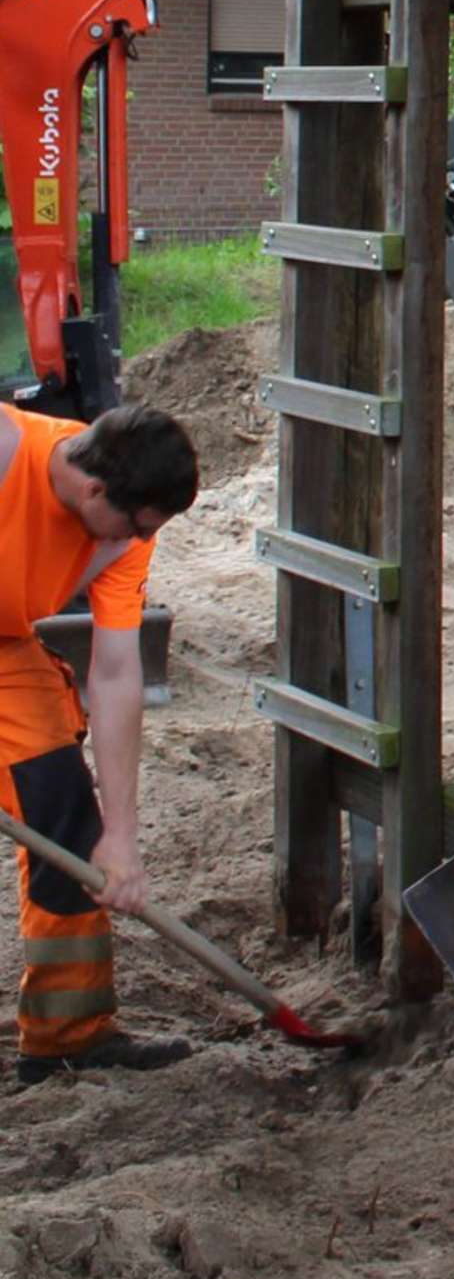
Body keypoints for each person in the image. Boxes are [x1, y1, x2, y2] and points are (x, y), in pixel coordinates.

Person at [2, 399, 200, 1084]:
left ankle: (66, 1034)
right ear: (94, 489)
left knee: (65, 813)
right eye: (138, 524)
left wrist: (122, 834)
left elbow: (116, 673)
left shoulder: (124, 537)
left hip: (3, 648)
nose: (140, 540)